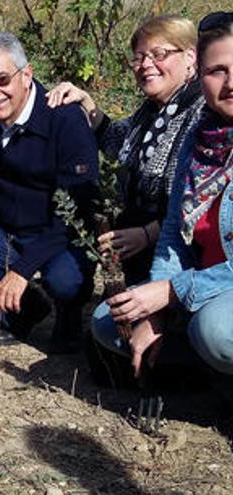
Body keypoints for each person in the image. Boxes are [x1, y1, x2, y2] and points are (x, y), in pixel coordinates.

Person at [0, 32, 100, 352]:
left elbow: (79, 209)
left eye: (1, 79)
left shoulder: (64, 118)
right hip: (7, 227)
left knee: (66, 280)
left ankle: (69, 315)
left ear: (27, 74)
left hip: (60, 230)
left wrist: (22, 271)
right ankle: (25, 311)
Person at [92, 11, 233, 378]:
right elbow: (174, 232)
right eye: (218, 70)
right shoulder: (200, 138)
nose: (230, 82)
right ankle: (205, 374)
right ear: (202, 74)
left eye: (159, 54)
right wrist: (154, 304)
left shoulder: (190, 114)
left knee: (216, 330)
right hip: (201, 280)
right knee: (111, 320)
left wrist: (170, 292)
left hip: (215, 286)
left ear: (188, 62)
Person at [47, 15, 203, 284]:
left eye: (159, 54)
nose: (146, 65)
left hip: (183, 255)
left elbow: (199, 197)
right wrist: (86, 102)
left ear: (190, 57)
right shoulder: (152, 111)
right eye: (139, 57)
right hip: (142, 250)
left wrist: (147, 234)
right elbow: (115, 141)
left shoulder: (201, 111)